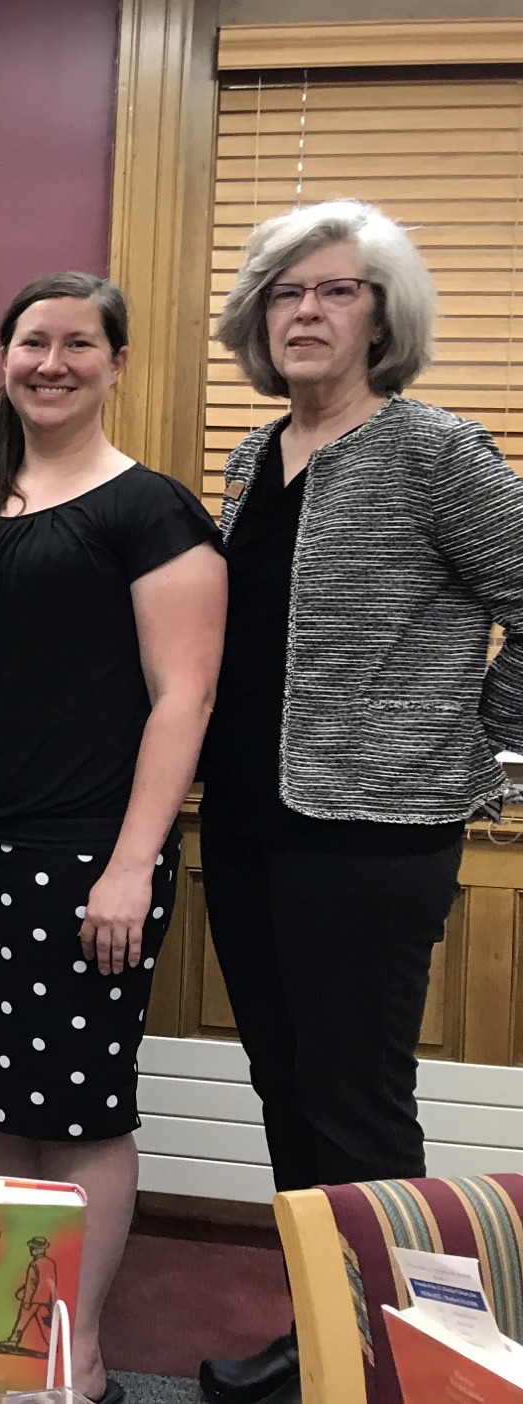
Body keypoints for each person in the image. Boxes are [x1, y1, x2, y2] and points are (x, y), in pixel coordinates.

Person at [196, 200, 523, 1404]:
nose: (304, 312)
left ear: (382, 315)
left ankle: (400, 1366)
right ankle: (322, 1337)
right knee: (283, 1090)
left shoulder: (432, 450)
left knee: (359, 1108)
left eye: (333, 291)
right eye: (284, 292)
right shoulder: (250, 456)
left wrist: (476, 748)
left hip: (372, 835)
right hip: (242, 825)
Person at [0, 272, 225, 1404]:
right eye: (31, 342)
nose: (51, 362)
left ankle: (76, 1359)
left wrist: (130, 865)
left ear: (114, 363)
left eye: (76, 344)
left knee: (80, 1101)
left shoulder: (151, 511)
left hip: (85, 859)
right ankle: (13, 1337)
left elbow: (181, 700)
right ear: (4, 356)